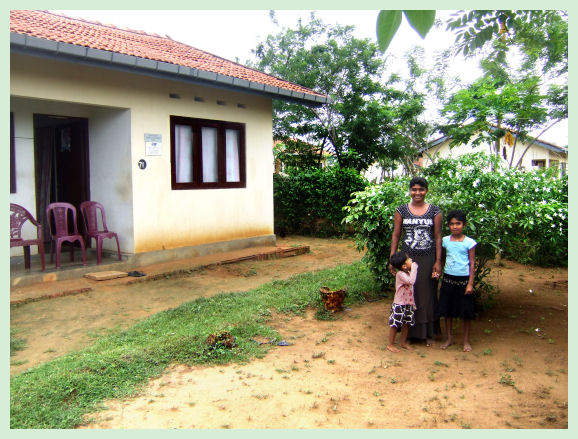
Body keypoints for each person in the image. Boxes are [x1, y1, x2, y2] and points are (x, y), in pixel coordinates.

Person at [389, 176, 442, 346]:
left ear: (426, 191)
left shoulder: (435, 211)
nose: (417, 192)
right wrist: (392, 259)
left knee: (427, 294)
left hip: (428, 258)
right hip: (407, 260)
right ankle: (409, 334)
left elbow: (438, 237)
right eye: (414, 189)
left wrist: (438, 261)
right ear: (410, 191)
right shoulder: (401, 211)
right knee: (409, 294)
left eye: (421, 189)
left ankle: (428, 333)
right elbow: (396, 235)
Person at [438, 209, 477, 352]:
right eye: (452, 224)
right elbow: (442, 259)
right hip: (448, 279)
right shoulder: (444, 241)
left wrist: (470, 284)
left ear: (464, 225)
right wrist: (438, 273)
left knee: (466, 312)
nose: (455, 226)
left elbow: (472, 263)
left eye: (458, 223)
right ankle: (449, 338)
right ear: (449, 225)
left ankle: (466, 341)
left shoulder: (469, 243)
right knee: (447, 311)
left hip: (464, 281)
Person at [387, 251, 418, 353]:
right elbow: (411, 281)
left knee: (406, 323)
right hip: (399, 304)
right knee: (395, 324)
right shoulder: (400, 274)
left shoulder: (407, 272)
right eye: (408, 259)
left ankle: (403, 342)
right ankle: (391, 344)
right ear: (404, 266)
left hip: (408, 304)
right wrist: (414, 267)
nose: (411, 260)